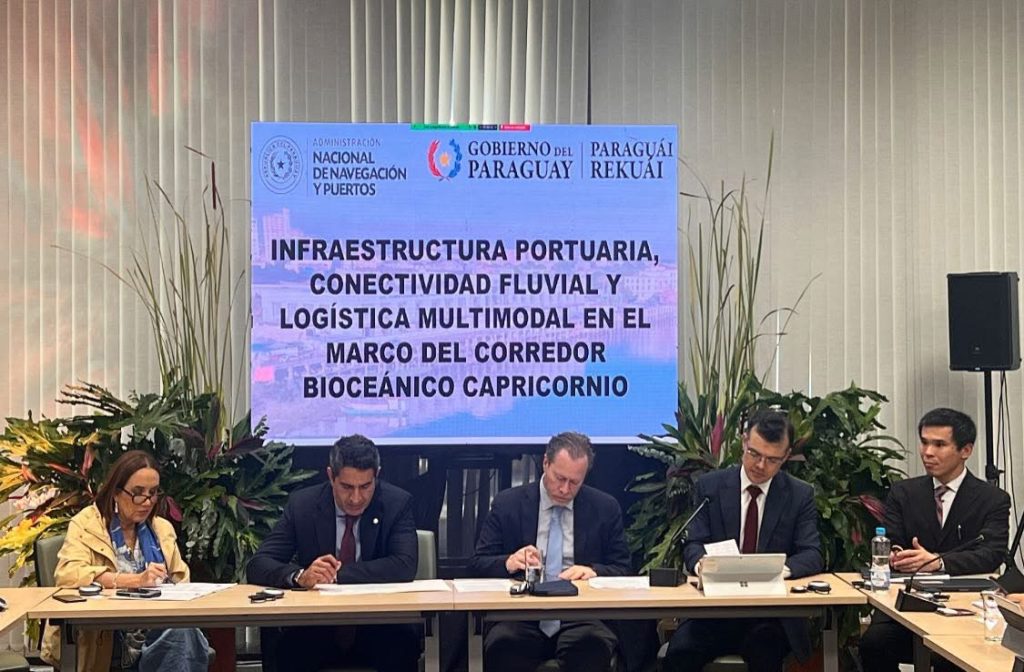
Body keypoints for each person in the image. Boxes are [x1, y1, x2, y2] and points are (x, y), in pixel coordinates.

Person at [663, 408, 823, 672]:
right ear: (744, 440)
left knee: (766, 649)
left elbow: (811, 554)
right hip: (712, 612)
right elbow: (694, 544)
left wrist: (774, 570)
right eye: (754, 454)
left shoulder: (798, 494)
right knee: (680, 653)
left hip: (768, 615)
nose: (760, 465)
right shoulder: (710, 487)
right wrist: (701, 565)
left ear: (786, 456)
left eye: (772, 460)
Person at [247, 434, 420, 671]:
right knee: (287, 649)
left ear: (377, 476)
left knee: (401, 646)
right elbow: (259, 564)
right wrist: (300, 576)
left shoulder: (396, 503)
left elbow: (404, 564)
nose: (356, 498)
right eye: (347, 487)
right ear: (331, 476)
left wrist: (336, 575)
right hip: (316, 626)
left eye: (365, 486)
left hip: (379, 626)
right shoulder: (303, 505)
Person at [859, 407, 1010, 671]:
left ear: (965, 450)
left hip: (965, 607)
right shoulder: (903, 492)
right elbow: (892, 539)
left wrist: (938, 562)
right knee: (874, 643)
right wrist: (897, 554)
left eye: (939, 445)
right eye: (924, 442)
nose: (928, 452)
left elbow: (992, 552)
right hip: (908, 602)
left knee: (955, 657)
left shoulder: (992, 499)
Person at [470, 431, 632, 672]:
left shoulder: (604, 508)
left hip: (581, 616)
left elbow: (623, 568)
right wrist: (509, 562)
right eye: (560, 478)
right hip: (521, 616)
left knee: (591, 647)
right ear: (545, 463)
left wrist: (593, 572)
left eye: (574, 482)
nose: (565, 489)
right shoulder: (508, 504)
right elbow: (477, 564)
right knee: (504, 646)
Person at [41, 450, 210, 672]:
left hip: (158, 629)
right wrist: (135, 581)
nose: (147, 502)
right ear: (116, 492)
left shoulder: (161, 528)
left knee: (182, 630)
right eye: (138, 493)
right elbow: (68, 574)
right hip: (106, 636)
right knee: (181, 635)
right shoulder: (87, 524)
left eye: (153, 493)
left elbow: (182, 581)